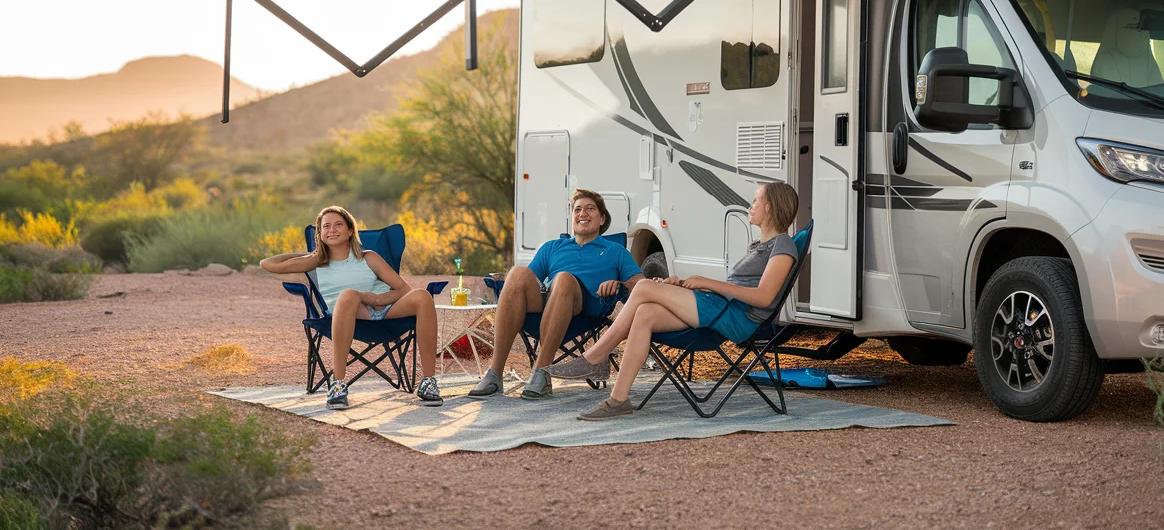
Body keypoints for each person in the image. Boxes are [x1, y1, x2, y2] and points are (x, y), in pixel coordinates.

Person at [547, 181, 800, 420]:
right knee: (645, 312)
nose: (750, 205)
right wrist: (684, 285)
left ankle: (595, 357)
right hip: (722, 308)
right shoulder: (761, 245)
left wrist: (707, 283)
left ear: (769, 206)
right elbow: (739, 288)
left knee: (645, 286)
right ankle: (618, 401)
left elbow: (764, 297)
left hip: (737, 319)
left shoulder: (783, 245)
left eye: (756, 200)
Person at [468, 189, 645, 400]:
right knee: (517, 272)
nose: (583, 214)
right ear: (572, 218)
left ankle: (543, 372)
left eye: (590, 209)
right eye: (577, 209)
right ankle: (495, 374)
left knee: (564, 279)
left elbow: (640, 283)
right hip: (549, 303)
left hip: (586, 307)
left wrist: (618, 283)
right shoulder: (553, 247)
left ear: (602, 219)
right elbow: (525, 283)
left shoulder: (616, 251)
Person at [260, 205, 442, 410]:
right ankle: (338, 385)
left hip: (386, 311)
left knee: (423, 296)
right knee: (348, 295)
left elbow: (403, 289)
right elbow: (267, 263)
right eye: (325, 227)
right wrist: (311, 253)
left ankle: (428, 382)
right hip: (347, 314)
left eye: (338, 224)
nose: (332, 230)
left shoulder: (368, 257)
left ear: (349, 231)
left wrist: (377, 300)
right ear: (319, 234)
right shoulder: (314, 263)